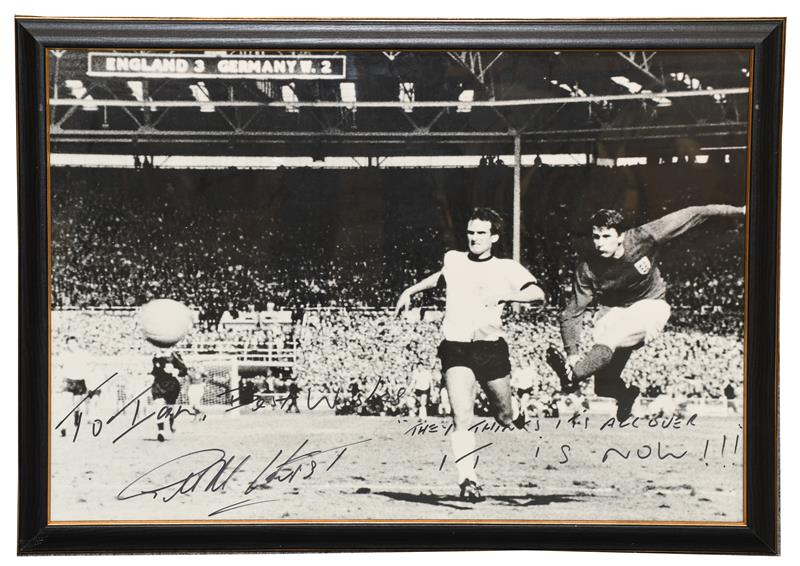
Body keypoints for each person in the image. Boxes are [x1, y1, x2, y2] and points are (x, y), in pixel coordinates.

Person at [396, 207, 545, 502]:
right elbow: (442, 278)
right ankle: (468, 480)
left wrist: (506, 295)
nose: (474, 238)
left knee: (503, 416)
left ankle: (516, 410)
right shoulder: (453, 259)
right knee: (461, 417)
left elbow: (538, 294)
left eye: (481, 233)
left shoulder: (507, 268)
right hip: (456, 347)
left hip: (490, 348)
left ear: (494, 237)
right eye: (471, 232)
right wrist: (410, 291)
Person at [546, 205, 745, 421]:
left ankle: (572, 377)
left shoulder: (643, 237)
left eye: (606, 236)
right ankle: (626, 396)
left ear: (621, 236)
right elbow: (572, 312)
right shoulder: (587, 268)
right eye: (596, 236)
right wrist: (572, 355)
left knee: (610, 337)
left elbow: (694, 213)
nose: (599, 242)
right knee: (603, 387)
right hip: (613, 312)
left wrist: (740, 211)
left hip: (650, 306)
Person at [150, 351, 188, 441]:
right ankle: (161, 432)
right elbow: (154, 370)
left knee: (170, 409)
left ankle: (171, 421)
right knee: (158, 408)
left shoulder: (175, 356)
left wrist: (177, 371)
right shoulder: (156, 356)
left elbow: (184, 370)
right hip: (158, 385)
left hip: (171, 386)